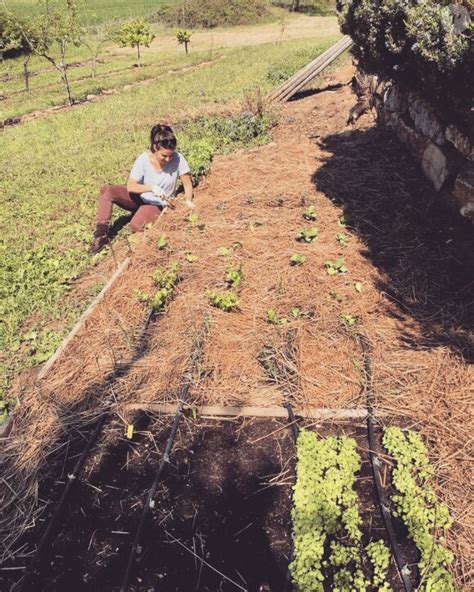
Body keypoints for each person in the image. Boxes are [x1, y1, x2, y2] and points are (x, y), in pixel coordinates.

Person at [89, 124, 194, 254]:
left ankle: (144, 213)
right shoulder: (144, 159)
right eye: (164, 156)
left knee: (136, 225)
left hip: (157, 202)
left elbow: (187, 184)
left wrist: (188, 201)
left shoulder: (178, 159)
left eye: (170, 155)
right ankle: (101, 235)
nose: (168, 159)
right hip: (142, 196)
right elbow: (131, 186)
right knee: (108, 191)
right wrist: (151, 188)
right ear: (155, 148)